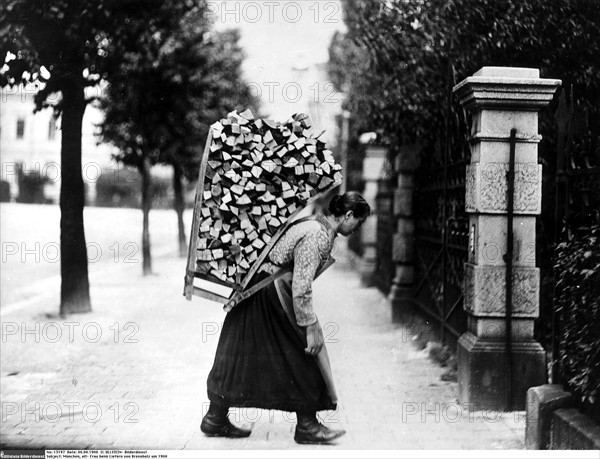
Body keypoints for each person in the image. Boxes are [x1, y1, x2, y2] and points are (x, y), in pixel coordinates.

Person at [201, 191, 371, 444]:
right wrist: (310, 326)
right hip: (271, 294)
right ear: (348, 215)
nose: (358, 229)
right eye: (359, 222)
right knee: (305, 352)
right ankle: (308, 426)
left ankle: (215, 417)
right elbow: (302, 287)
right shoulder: (317, 235)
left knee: (237, 353)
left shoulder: (312, 223)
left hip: (257, 289)